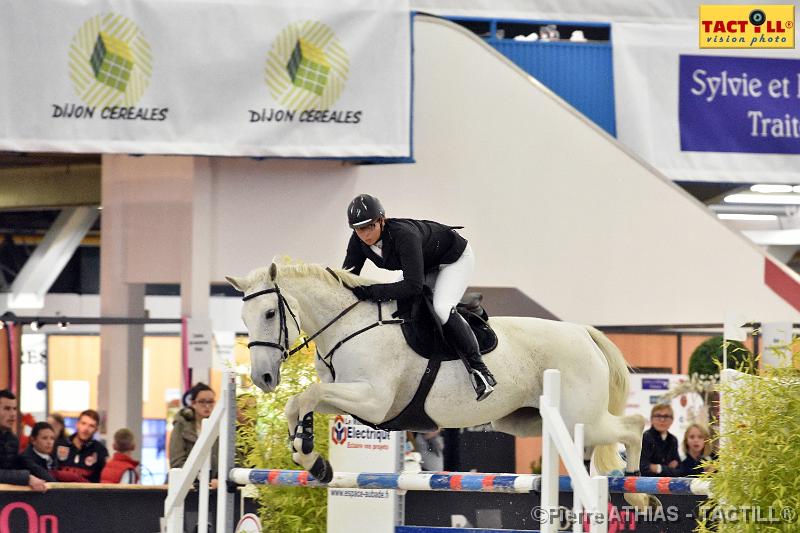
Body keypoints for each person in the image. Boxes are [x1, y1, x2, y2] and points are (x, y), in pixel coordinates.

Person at [342, 194, 496, 401]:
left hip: (453, 259)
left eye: (370, 226)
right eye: (359, 229)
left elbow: (413, 286)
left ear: (382, 220)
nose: (365, 234)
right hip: (425, 264)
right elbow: (348, 278)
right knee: (395, 308)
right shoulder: (357, 242)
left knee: (441, 308)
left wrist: (372, 291)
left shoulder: (403, 235)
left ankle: (480, 371)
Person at [0, 390, 47, 491]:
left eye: (14, 409)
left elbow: (22, 463)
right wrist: (26, 478)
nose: (12, 414)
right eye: (7, 409)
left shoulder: (12, 439)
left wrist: (54, 483)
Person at [169, 383, 218, 475]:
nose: (207, 406)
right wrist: (197, 477)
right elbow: (176, 461)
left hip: (215, 483)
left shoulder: (220, 426)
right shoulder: (181, 425)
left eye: (210, 402)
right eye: (202, 401)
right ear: (193, 403)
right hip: (187, 482)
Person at [55, 409, 109, 483]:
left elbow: (104, 479)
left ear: (96, 430)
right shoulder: (59, 444)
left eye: (91, 426)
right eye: (83, 423)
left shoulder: (100, 450)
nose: (86, 429)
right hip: (60, 493)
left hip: (88, 494)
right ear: (77, 424)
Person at [640, 404, 681, 477]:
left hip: (668, 485)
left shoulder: (673, 440)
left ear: (672, 420)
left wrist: (658, 468)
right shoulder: (645, 437)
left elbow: (679, 470)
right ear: (651, 419)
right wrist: (668, 468)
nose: (662, 420)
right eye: (658, 416)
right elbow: (643, 468)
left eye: (666, 416)